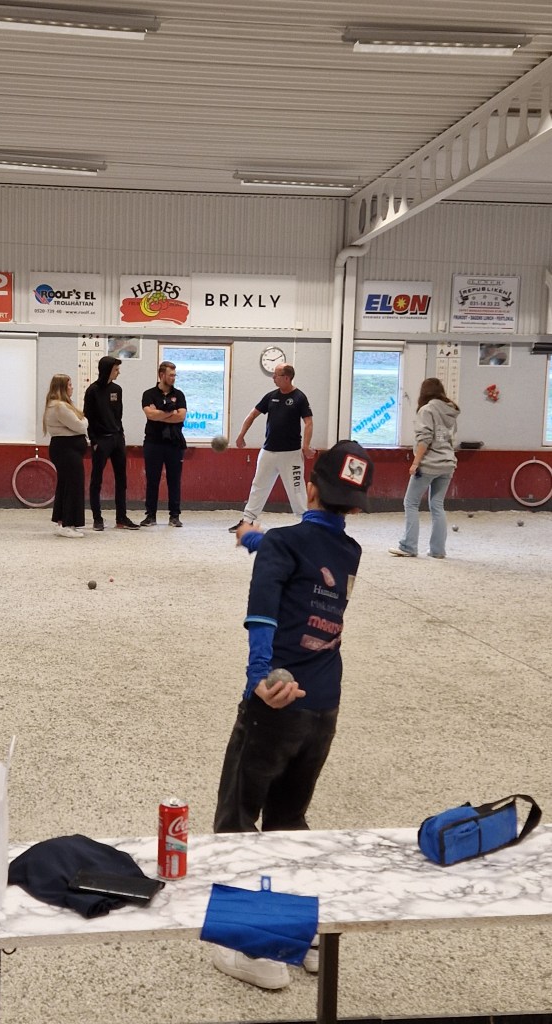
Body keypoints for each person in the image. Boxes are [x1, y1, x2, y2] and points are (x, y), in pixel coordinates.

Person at [212, 440, 374, 990]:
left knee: (237, 819)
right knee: (289, 820)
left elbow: (262, 615)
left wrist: (260, 678)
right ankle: (304, 938)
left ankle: (255, 953)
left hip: (276, 705)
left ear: (311, 485)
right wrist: (254, 539)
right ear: (355, 506)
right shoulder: (349, 553)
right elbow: (308, 562)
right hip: (323, 708)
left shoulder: (285, 544)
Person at [228, 364, 314, 533]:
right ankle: (247, 520)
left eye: (276, 375)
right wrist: (241, 435)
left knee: (297, 490)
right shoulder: (271, 396)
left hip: (291, 454)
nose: (273, 378)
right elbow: (252, 414)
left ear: (287, 378)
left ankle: (308, 523)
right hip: (268, 452)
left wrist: (306, 446)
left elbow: (309, 422)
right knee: (258, 486)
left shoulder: (299, 397)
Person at [389, 378, 460, 559]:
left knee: (410, 503)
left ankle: (409, 546)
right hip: (448, 463)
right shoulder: (451, 411)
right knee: (437, 505)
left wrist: (415, 462)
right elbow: (451, 439)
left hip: (429, 464)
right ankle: (438, 550)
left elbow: (425, 439)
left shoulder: (426, 410)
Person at [83, 355, 140, 531]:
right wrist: (94, 440)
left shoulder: (117, 389)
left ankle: (121, 517)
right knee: (96, 480)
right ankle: (97, 518)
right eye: (116, 369)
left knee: (121, 479)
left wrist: (120, 434)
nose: (118, 372)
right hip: (101, 440)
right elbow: (88, 417)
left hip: (117, 439)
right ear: (107, 370)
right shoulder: (92, 391)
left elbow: (118, 414)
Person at [140, 361, 187, 527]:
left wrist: (159, 413)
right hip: (153, 443)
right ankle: (150, 515)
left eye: (175, 375)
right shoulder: (149, 394)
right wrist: (170, 412)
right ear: (161, 375)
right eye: (170, 375)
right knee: (152, 480)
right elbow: (150, 415)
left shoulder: (179, 395)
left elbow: (181, 417)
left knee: (174, 480)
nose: (173, 378)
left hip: (174, 443)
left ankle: (174, 516)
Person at [42, 374, 88, 538]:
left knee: (65, 484)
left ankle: (62, 521)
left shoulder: (60, 405)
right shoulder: (59, 407)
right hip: (66, 450)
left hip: (66, 449)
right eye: (69, 385)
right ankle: (68, 523)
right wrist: (85, 420)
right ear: (62, 387)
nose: (72, 387)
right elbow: (80, 425)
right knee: (73, 485)